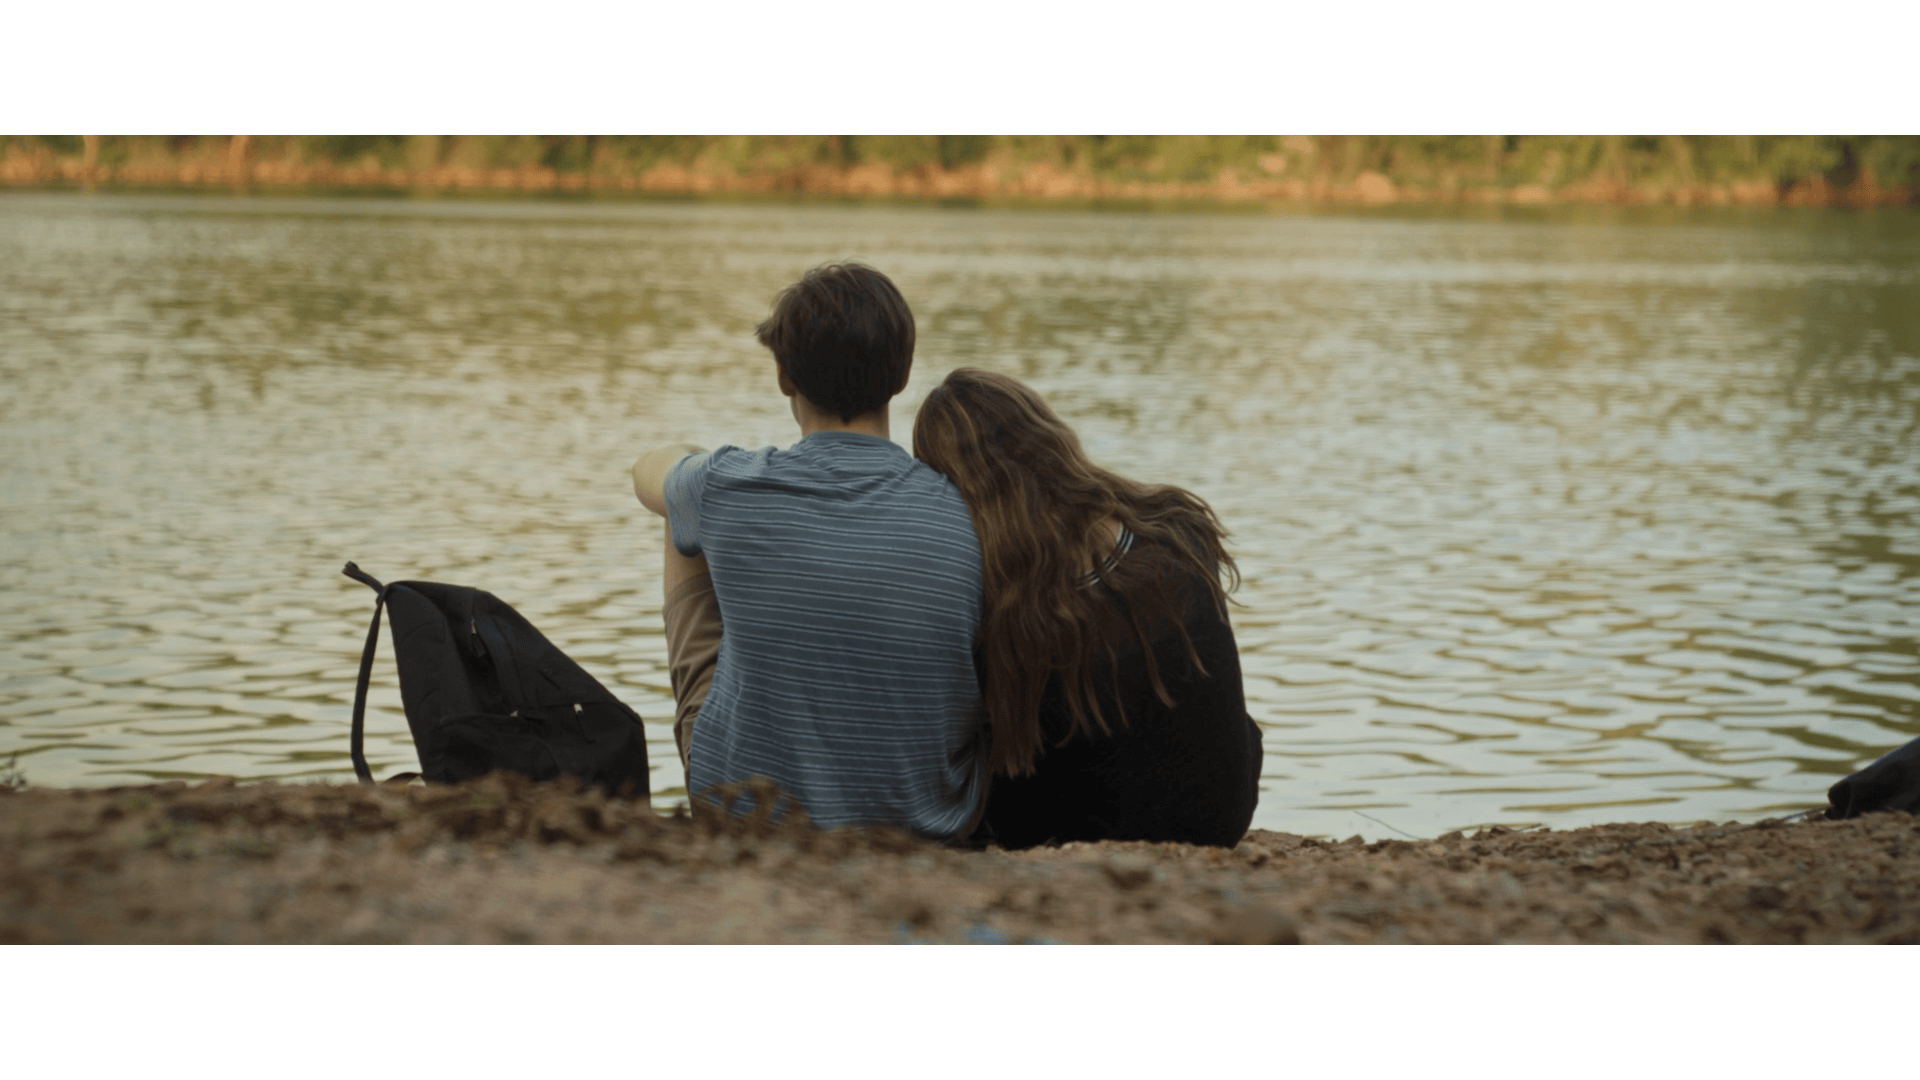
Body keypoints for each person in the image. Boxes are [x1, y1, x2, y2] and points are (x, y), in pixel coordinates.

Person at [629, 264, 988, 840]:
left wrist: (693, 462)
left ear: (783, 377)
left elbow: (646, 475)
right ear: (902, 375)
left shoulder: (725, 482)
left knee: (683, 514)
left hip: (746, 815)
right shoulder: (964, 508)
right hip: (926, 822)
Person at [911, 368, 1262, 848]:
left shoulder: (1018, 613)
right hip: (1223, 817)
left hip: (1099, 837)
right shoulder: (1174, 523)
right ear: (1048, 435)